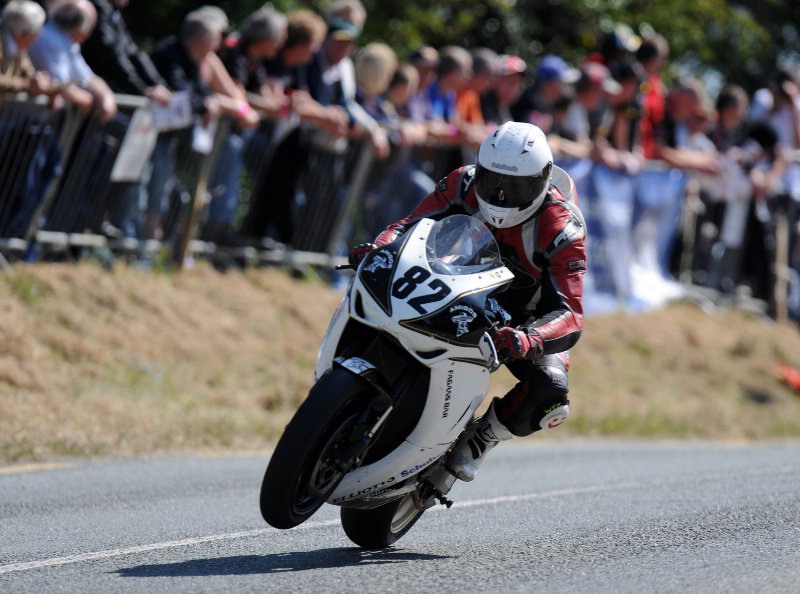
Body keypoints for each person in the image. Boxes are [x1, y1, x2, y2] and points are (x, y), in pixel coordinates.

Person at [349, 121, 585, 481]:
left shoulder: (563, 228)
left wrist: (528, 338)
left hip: (522, 319)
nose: (502, 196)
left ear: (543, 179)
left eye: (518, 186)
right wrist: (379, 247)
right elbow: (409, 225)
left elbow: (569, 312)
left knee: (551, 393)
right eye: (494, 181)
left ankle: (481, 438)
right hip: (455, 283)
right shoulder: (463, 182)